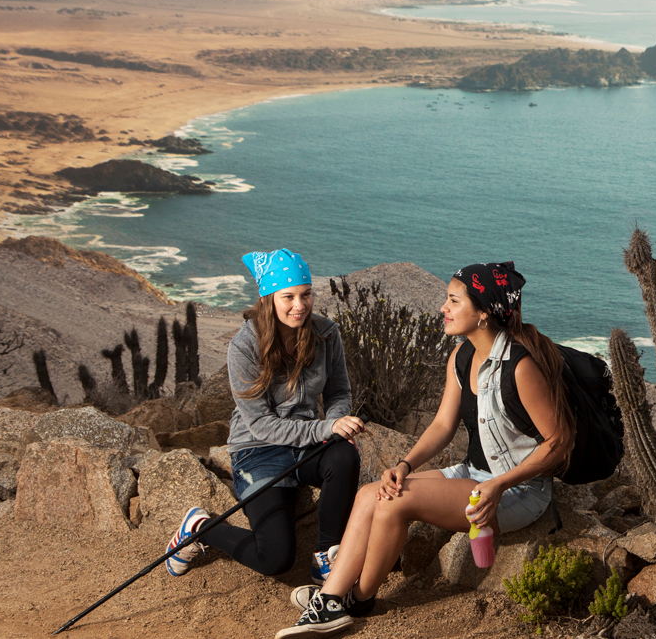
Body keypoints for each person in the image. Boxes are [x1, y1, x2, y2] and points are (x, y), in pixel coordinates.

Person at [275, 261, 574, 639]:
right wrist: (404, 463)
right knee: (372, 494)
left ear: (483, 313)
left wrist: (500, 486)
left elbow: (559, 442)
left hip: (516, 491)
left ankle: (355, 598)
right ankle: (335, 596)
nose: (443, 309)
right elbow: (441, 426)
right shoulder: (461, 356)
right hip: (473, 475)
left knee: (395, 503)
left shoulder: (520, 366)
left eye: (453, 301)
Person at [165, 248, 364, 586]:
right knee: (275, 558)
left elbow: (338, 393)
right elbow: (259, 423)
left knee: (344, 454)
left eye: (305, 294)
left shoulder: (326, 334)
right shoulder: (243, 347)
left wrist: (336, 423)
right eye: (288, 296)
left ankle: (325, 555)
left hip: (305, 443)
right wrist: (326, 426)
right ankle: (201, 528)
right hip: (258, 451)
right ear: (268, 298)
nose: (299, 305)